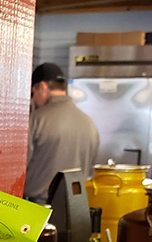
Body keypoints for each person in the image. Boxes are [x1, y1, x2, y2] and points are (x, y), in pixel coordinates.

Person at [25, 62, 100, 204]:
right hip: (76, 207)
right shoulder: (89, 122)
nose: (33, 99)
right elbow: (90, 170)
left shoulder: (36, 119)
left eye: (33, 93)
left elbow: (21, 167)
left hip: (38, 207)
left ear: (42, 87)